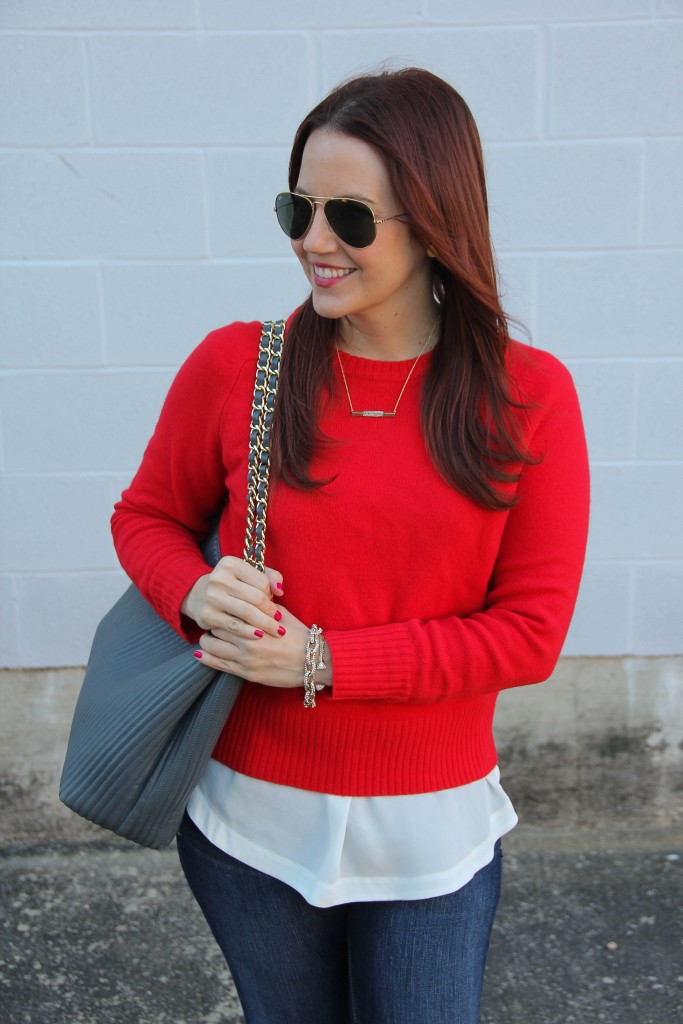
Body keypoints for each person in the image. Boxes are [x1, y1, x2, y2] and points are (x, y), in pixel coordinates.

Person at [111, 67, 589, 1024]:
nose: (313, 242)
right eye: (299, 206)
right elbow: (146, 518)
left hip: (433, 830)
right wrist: (194, 592)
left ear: (434, 223)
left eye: (351, 219)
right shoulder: (236, 365)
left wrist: (320, 659)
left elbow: (527, 635)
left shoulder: (526, 396)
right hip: (247, 820)